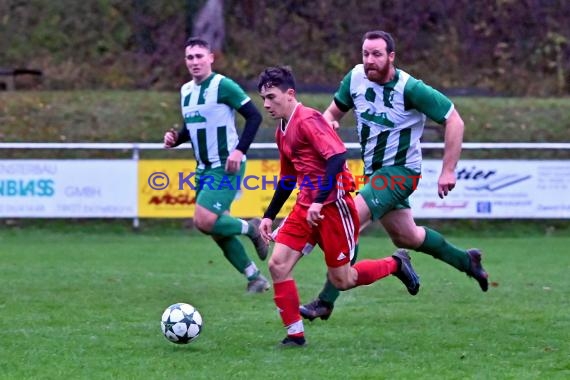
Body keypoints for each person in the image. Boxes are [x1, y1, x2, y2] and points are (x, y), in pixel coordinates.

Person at [299, 30, 489, 321]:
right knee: (407, 236)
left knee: (350, 219)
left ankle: (325, 301)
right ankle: (466, 261)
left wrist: (448, 169)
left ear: (391, 57)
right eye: (365, 54)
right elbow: (331, 114)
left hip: (401, 173)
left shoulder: (411, 89)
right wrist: (327, 126)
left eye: (376, 54)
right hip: (375, 174)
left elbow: (454, 120)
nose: (369, 60)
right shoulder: (355, 79)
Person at [257, 66, 420, 347]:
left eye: (271, 97)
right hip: (306, 207)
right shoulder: (281, 132)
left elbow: (337, 157)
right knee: (277, 264)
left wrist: (319, 201)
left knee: (344, 280)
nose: (266, 104)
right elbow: (287, 177)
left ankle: (396, 264)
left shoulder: (308, 119)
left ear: (290, 94)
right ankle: (295, 336)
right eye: (263, 98)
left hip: (333, 207)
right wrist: (268, 216)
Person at [163, 37, 270, 293]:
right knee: (216, 229)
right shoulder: (186, 91)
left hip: (225, 166)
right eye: (190, 57)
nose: (195, 62)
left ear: (211, 57)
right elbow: (192, 127)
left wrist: (239, 151)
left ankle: (251, 227)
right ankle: (254, 277)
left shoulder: (223, 85)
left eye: (200, 56)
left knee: (204, 220)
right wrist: (176, 138)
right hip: (202, 168)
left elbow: (254, 116)